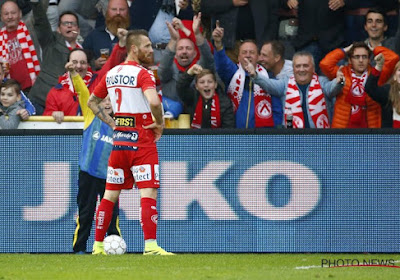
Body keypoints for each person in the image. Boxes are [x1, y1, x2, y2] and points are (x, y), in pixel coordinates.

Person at [88, 29, 173, 255]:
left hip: (120, 144)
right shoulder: (143, 74)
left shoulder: (112, 73)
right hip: (142, 143)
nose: (150, 49)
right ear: (134, 48)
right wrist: (159, 123)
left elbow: (92, 102)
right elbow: (154, 102)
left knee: (109, 195)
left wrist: (112, 123)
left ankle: (97, 246)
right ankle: (151, 246)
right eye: (146, 46)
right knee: (148, 193)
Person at [65, 61, 121, 254]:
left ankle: (115, 248)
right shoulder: (91, 115)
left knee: (111, 216)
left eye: (110, 100)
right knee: (86, 213)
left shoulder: (120, 125)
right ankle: (79, 249)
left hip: (109, 177)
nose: (106, 103)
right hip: (87, 173)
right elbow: (82, 92)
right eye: (103, 100)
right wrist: (73, 73)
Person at [43, 30, 127, 123]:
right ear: (67, 64)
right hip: (68, 136)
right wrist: (53, 114)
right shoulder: (55, 92)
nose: (78, 66)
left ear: (88, 65)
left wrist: (121, 45)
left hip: (94, 134)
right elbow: (46, 117)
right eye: (74, 62)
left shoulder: (98, 80)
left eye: (82, 63)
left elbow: (112, 62)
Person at [246, 51, 344, 128]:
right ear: (293, 69)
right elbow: (269, 84)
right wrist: (255, 75)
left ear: (313, 68)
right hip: (293, 141)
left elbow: (332, 88)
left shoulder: (322, 82)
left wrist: (339, 81)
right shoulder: (285, 83)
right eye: (298, 66)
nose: (301, 69)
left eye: (305, 66)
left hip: (320, 139)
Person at [213, 22, 283, 128]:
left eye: (252, 52)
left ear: (258, 57)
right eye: (244, 52)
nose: (248, 55)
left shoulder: (268, 78)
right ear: (239, 57)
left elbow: (277, 110)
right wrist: (218, 44)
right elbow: (222, 63)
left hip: (262, 136)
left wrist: (273, 132)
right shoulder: (233, 73)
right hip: (235, 134)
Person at [320, 41, 399, 128]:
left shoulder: (376, 74)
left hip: (370, 127)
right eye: (357, 57)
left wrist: (374, 49)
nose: (361, 60)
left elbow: (393, 58)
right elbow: (325, 64)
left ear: (369, 59)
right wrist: (345, 50)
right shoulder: (342, 73)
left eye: (364, 57)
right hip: (344, 126)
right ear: (350, 60)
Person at [28, 0, 81, 115]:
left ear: (78, 30)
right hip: (40, 101)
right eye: (65, 23)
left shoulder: (84, 51)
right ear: (58, 29)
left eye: (73, 23)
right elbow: (41, 23)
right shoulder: (51, 41)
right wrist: (36, 4)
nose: (69, 26)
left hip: (67, 106)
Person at [158, 12, 214, 119]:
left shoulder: (199, 67)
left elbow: (208, 58)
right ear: (175, 54)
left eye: (188, 48)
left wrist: (197, 34)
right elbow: (163, 69)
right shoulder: (170, 68)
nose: (184, 51)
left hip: (196, 119)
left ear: (195, 53)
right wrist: (174, 41)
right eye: (180, 48)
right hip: (170, 121)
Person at [177, 64, 235, 128]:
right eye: (202, 82)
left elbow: (228, 128)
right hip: (194, 137)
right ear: (196, 86)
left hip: (217, 137)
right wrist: (190, 73)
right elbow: (181, 87)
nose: (206, 85)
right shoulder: (191, 97)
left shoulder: (225, 102)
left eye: (210, 82)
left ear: (215, 85)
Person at [0, 0, 40, 93]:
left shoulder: (29, 29)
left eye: (13, 13)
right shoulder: (0, 38)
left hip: (33, 86)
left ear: (20, 14)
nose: (10, 17)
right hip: (11, 91)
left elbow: (40, 17)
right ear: (1, 17)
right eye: (6, 14)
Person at [83, 0, 130, 70]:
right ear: (107, 12)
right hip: (100, 78)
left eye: (122, 9)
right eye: (114, 9)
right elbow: (82, 60)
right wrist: (94, 64)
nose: (118, 13)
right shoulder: (94, 36)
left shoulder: (136, 35)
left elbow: (146, 61)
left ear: (127, 12)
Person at [365, 53, 400, 128]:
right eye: (399, 70)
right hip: (391, 138)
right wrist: (378, 67)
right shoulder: (388, 91)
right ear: (394, 76)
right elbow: (370, 88)